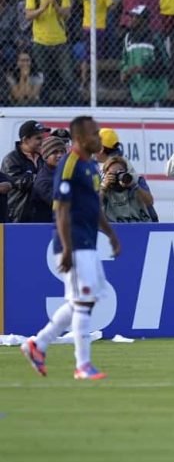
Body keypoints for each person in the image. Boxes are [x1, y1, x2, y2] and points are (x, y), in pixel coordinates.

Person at [20, 115, 121, 380]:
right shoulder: (70, 164)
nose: (99, 138)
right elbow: (61, 209)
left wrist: (110, 234)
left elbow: (92, 206)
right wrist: (65, 248)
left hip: (88, 242)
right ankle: (82, 365)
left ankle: (38, 344)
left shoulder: (89, 166)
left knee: (83, 300)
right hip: (73, 244)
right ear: (79, 138)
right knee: (82, 300)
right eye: (94, 134)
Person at [24, 0, 77, 105]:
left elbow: (67, 14)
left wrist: (56, 6)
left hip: (60, 42)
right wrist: (42, 8)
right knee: (43, 77)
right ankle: (44, 106)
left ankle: (72, 107)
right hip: (40, 42)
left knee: (68, 77)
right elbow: (28, 16)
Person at [1, 119, 50, 222]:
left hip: (41, 215)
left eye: (43, 138)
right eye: (38, 138)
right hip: (18, 218)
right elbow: (21, 183)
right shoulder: (11, 159)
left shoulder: (43, 158)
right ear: (25, 140)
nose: (42, 142)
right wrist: (46, 179)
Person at [120, 5, 169, 106]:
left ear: (144, 20)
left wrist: (142, 70)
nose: (131, 20)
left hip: (154, 96)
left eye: (135, 17)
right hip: (134, 96)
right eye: (131, 17)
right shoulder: (127, 38)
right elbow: (124, 62)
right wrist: (125, 73)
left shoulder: (155, 38)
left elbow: (165, 65)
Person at [100, 155, 155, 223]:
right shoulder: (104, 188)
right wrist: (104, 187)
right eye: (113, 174)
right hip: (117, 227)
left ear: (126, 171)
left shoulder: (136, 181)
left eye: (120, 172)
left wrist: (135, 186)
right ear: (106, 175)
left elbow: (150, 202)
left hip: (141, 224)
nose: (118, 175)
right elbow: (94, 206)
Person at [28, 135, 66, 223]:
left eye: (62, 151)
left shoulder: (66, 173)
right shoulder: (43, 180)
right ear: (45, 157)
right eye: (55, 152)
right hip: (45, 229)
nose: (60, 155)